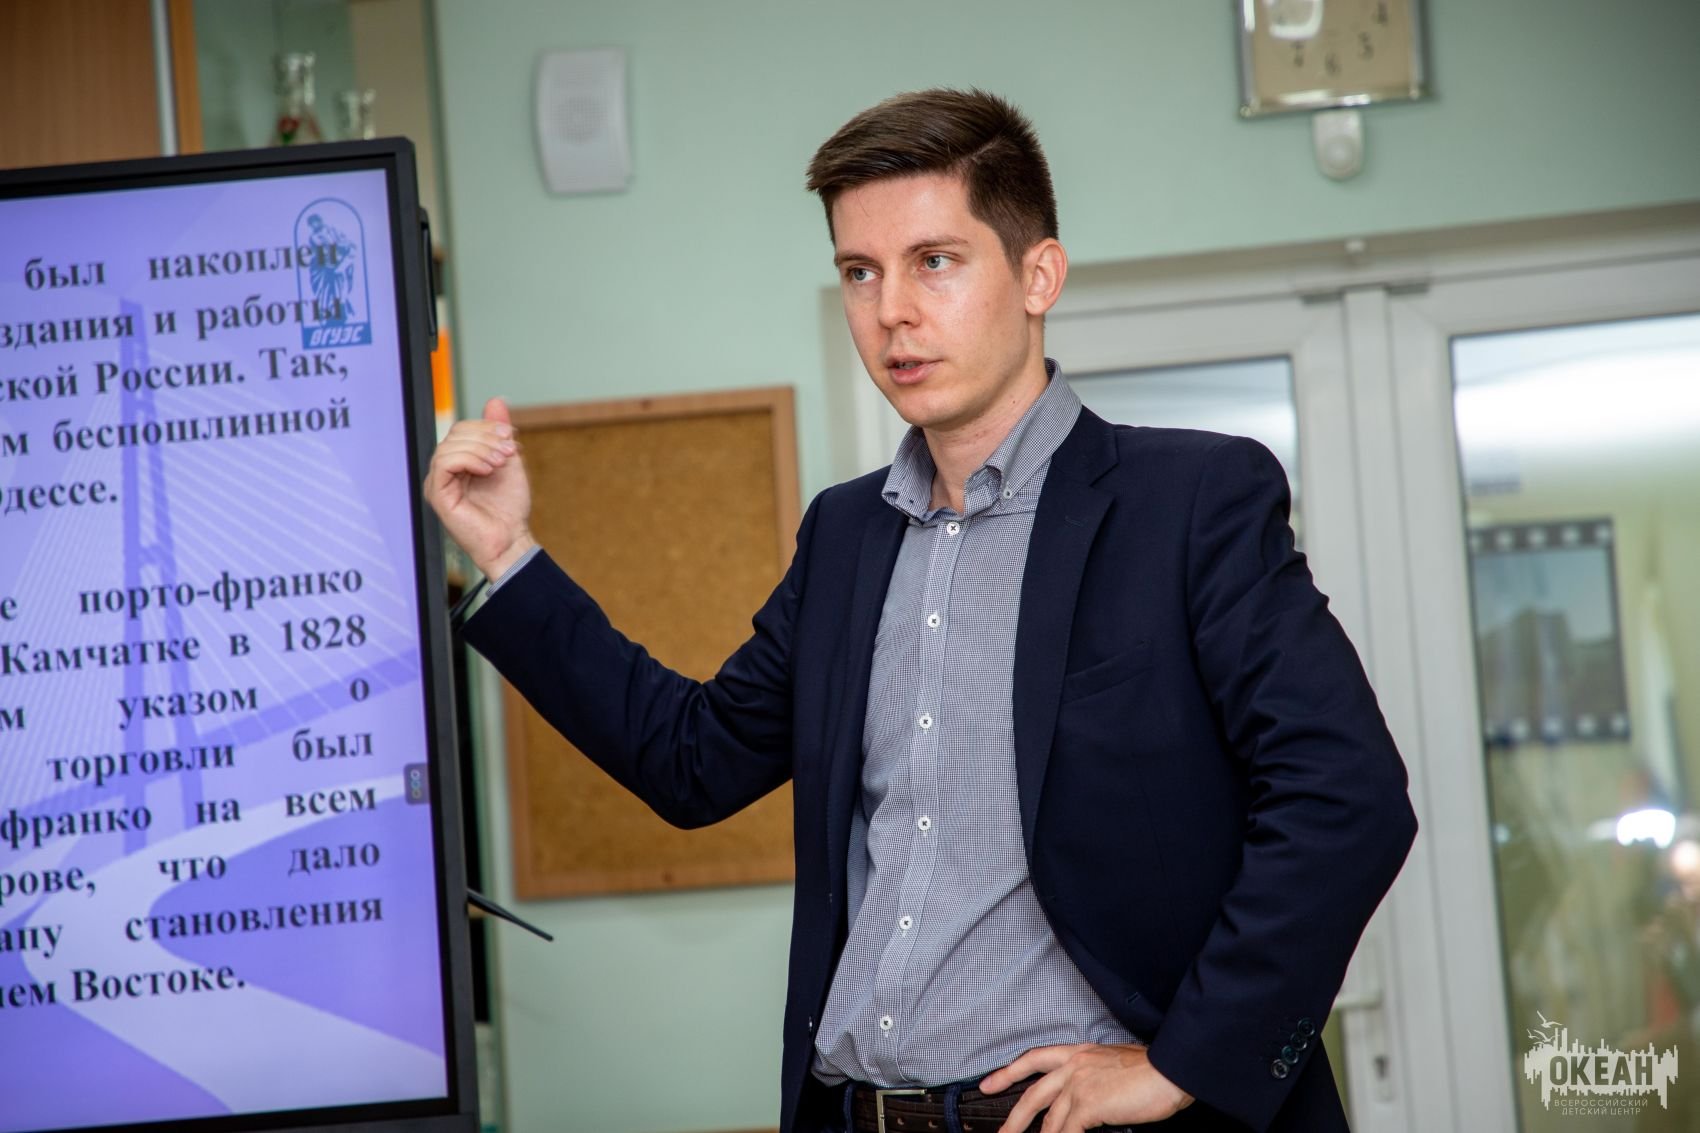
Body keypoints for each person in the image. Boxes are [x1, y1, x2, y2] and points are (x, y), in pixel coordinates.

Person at [425, 88, 1418, 1133]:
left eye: (933, 261)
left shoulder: (1189, 501)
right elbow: (690, 760)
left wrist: (1184, 1062)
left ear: (1038, 275)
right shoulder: (845, 536)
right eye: (860, 271)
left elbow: (1345, 794)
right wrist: (507, 553)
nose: (890, 310)